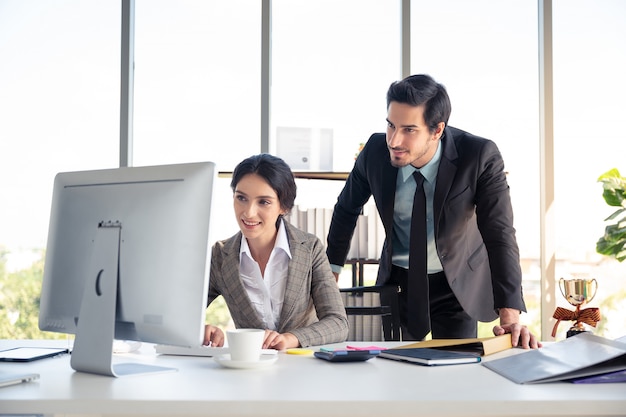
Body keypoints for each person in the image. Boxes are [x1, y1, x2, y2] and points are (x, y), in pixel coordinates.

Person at [326, 74, 541, 349]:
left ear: (437, 130)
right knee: (389, 369)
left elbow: (499, 233)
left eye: (409, 129)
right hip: (398, 282)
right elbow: (346, 209)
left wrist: (510, 313)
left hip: (456, 284)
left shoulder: (478, 156)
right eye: (391, 126)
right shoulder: (375, 153)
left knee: (454, 376)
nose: (394, 140)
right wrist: (330, 275)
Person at [204, 153, 349, 350]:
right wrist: (201, 330)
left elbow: (337, 323)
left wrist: (292, 338)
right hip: (251, 370)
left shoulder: (309, 248)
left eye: (263, 202)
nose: (248, 212)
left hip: (304, 367)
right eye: (241, 198)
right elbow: (182, 314)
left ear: (284, 206)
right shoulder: (221, 256)